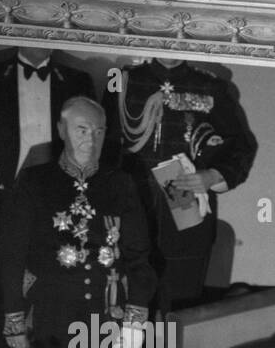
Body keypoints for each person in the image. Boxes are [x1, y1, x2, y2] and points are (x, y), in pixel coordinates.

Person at [0, 96, 154, 348]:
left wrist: (134, 325)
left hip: (105, 315)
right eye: (81, 130)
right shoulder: (35, 182)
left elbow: (138, 256)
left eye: (99, 131)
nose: (91, 139)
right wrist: (14, 324)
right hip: (49, 317)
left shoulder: (120, 183)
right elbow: (11, 256)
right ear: (61, 130)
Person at [107, 56, 257, 310]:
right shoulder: (122, 80)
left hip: (184, 203)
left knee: (179, 302)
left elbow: (241, 147)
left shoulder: (212, 86)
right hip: (132, 202)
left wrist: (212, 175)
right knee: (126, 298)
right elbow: (106, 143)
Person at [0, 47, 95, 293]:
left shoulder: (78, 80)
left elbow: (92, 148)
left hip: (60, 200)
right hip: (3, 200)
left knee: (59, 282)